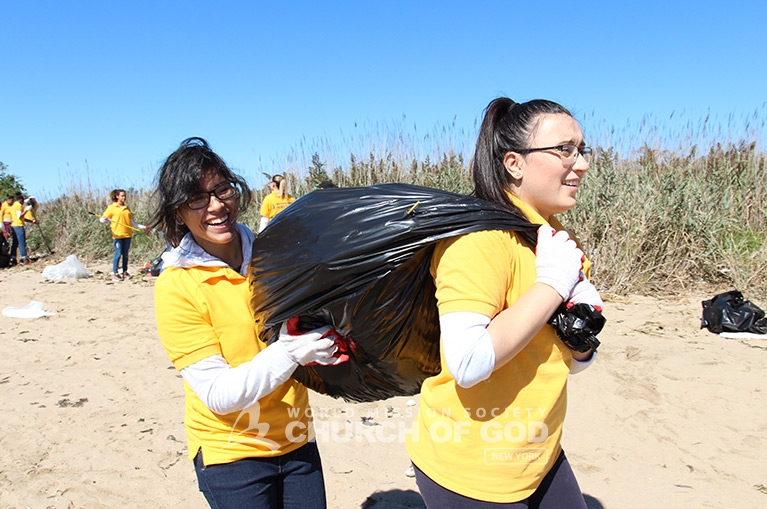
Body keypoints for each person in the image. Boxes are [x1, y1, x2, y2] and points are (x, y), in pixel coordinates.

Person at [406, 97, 603, 508]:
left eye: (582, 149)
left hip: (541, 453)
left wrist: (582, 331)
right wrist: (553, 284)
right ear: (514, 164)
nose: (580, 163)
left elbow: (569, 361)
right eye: (564, 149)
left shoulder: (552, 237)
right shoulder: (481, 241)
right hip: (472, 466)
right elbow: (467, 362)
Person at [151, 137, 342, 508]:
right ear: (178, 213)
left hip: (296, 437)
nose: (217, 206)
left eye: (222, 189)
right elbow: (218, 394)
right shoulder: (178, 285)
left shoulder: (274, 257)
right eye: (197, 198)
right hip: (231, 451)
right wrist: (288, 354)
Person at [101, 189, 148, 281]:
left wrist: (144, 227)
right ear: (117, 196)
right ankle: (115, 273)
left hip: (127, 235)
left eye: (125, 196)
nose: (124, 197)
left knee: (125, 254)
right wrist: (105, 219)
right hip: (117, 235)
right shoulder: (112, 207)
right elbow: (102, 219)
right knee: (118, 254)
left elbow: (132, 223)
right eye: (122, 196)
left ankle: (124, 272)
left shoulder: (127, 208)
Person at [9, 192, 36, 265]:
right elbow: (20, 216)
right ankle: (25, 259)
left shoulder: (14, 205)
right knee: (22, 242)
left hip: (14, 225)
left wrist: (32, 221)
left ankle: (13, 258)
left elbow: (22, 217)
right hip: (18, 225)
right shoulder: (18, 206)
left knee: (15, 243)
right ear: (20, 199)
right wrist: (26, 210)